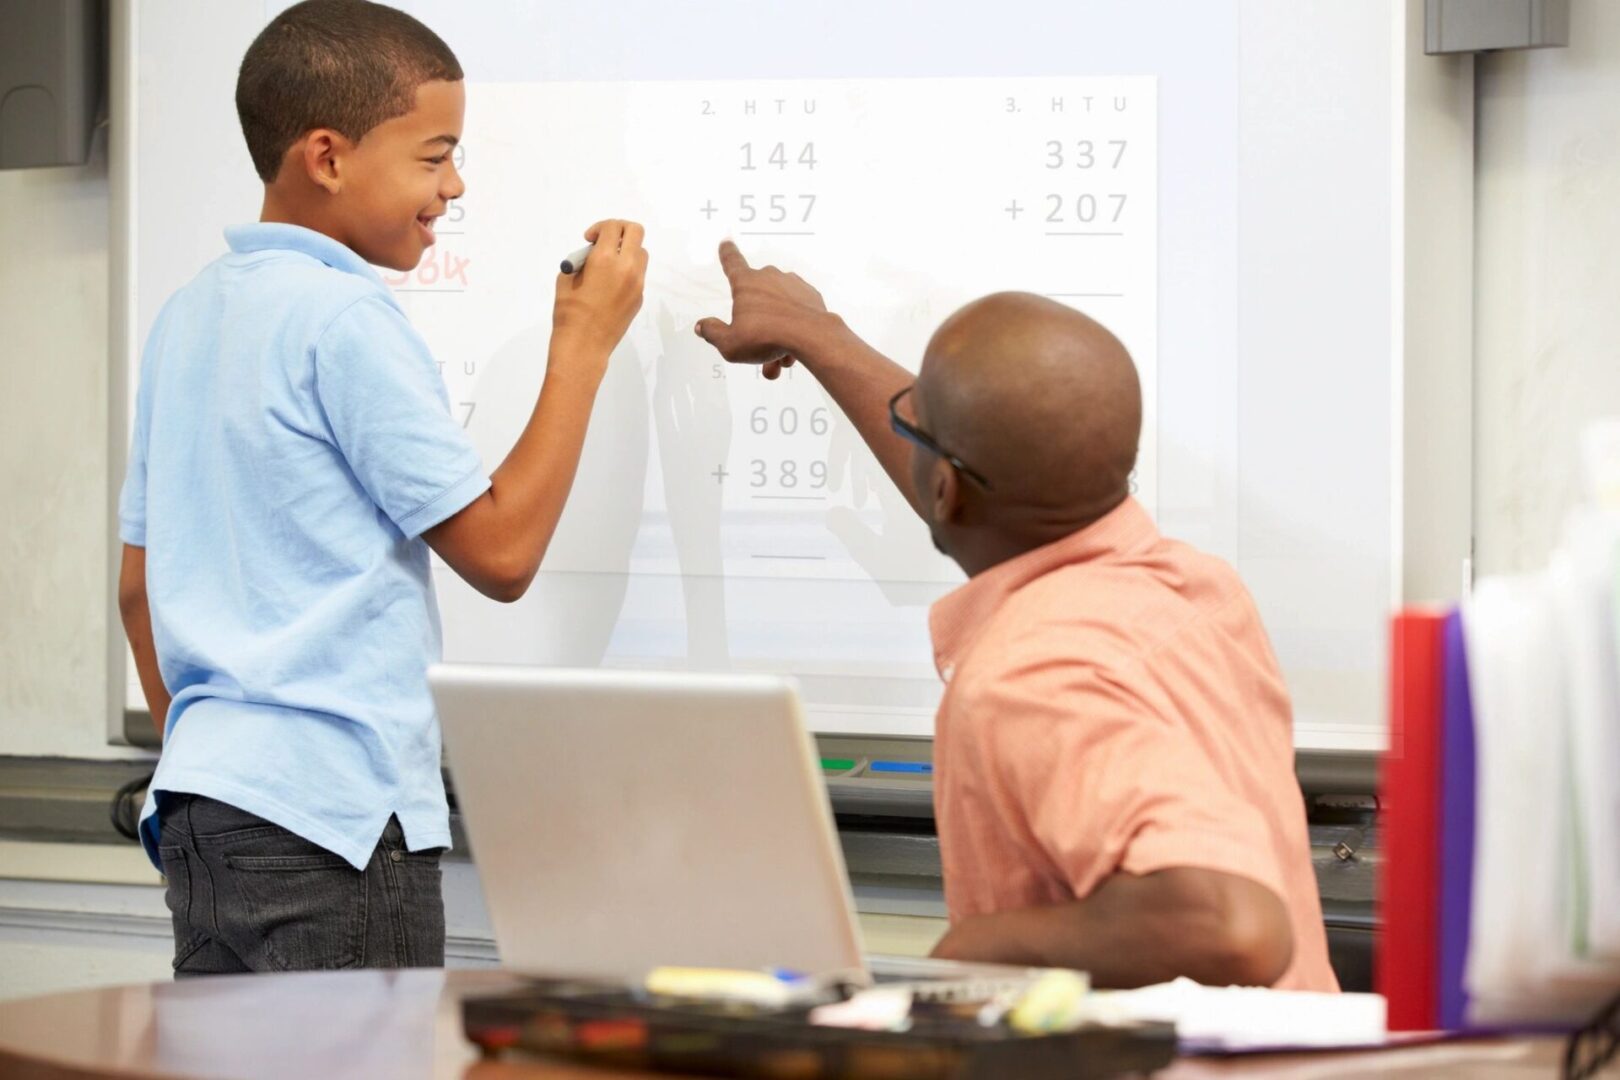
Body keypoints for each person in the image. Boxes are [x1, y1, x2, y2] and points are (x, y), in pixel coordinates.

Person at [116, 0, 646, 974]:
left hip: (204, 811)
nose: (454, 185)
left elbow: (137, 591)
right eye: (434, 155)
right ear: (327, 156)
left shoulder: (186, 318)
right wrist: (581, 345)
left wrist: (226, 767)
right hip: (337, 825)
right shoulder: (345, 318)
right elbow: (502, 553)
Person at [696, 243, 1337, 990]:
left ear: (945, 492)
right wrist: (821, 336)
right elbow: (993, 460)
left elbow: (1229, 926)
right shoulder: (1195, 589)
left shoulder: (1032, 672)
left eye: (913, 425)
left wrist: (982, 947)